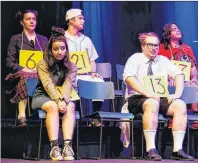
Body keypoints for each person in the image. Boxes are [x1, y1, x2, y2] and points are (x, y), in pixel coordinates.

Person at [121, 32, 194, 161]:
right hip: (137, 98)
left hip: (160, 97)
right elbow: (129, 78)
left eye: (156, 45)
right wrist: (148, 93)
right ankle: (150, 149)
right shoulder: (135, 58)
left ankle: (177, 150)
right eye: (150, 45)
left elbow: (179, 75)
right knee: (151, 103)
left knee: (180, 105)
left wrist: (177, 94)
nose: (154, 48)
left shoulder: (162, 60)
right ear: (143, 46)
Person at [31, 27, 77, 161]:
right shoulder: (42, 64)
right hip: (42, 96)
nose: (59, 51)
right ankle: (54, 147)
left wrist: (63, 100)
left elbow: (68, 85)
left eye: (62, 48)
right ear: (50, 49)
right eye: (56, 48)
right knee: (52, 106)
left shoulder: (71, 66)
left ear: (66, 49)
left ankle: (67, 146)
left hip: (62, 96)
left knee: (71, 106)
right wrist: (58, 101)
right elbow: (48, 85)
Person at [5, 9, 48, 127]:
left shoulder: (43, 40)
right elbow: (9, 62)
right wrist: (23, 68)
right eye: (28, 19)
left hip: (39, 73)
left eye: (34, 19)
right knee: (25, 76)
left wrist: (41, 69)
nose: (32, 22)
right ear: (22, 22)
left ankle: (47, 112)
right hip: (20, 74)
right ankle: (22, 115)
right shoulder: (16, 39)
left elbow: (48, 61)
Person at [64, 8, 104, 126]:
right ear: (71, 20)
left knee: (99, 81)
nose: (83, 21)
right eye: (80, 18)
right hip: (68, 76)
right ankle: (73, 117)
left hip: (84, 75)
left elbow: (92, 60)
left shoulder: (86, 40)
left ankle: (95, 117)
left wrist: (93, 72)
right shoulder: (62, 38)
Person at [159, 23, 198, 112]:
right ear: (168, 34)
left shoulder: (186, 48)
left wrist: (195, 78)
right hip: (170, 83)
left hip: (186, 82)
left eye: (178, 28)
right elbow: (158, 68)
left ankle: (195, 116)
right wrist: (169, 79)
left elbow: (193, 69)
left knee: (195, 86)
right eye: (174, 29)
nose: (178, 30)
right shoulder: (161, 48)